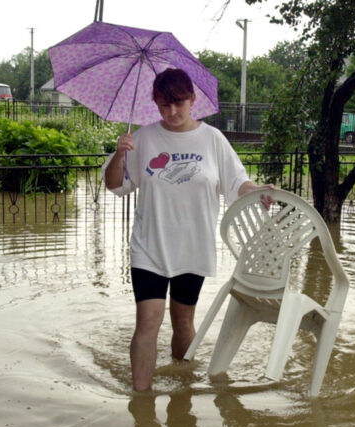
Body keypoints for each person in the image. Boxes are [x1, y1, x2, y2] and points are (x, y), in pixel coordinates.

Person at [103, 67, 273, 392]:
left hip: (193, 246)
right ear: (155, 102)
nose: (172, 112)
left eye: (179, 103)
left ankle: (183, 392)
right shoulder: (142, 138)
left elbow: (236, 180)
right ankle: (141, 401)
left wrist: (255, 190)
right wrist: (119, 156)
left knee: (183, 321)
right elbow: (115, 185)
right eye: (164, 105)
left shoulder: (212, 139)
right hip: (150, 247)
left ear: (193, 99)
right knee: (149, 320)